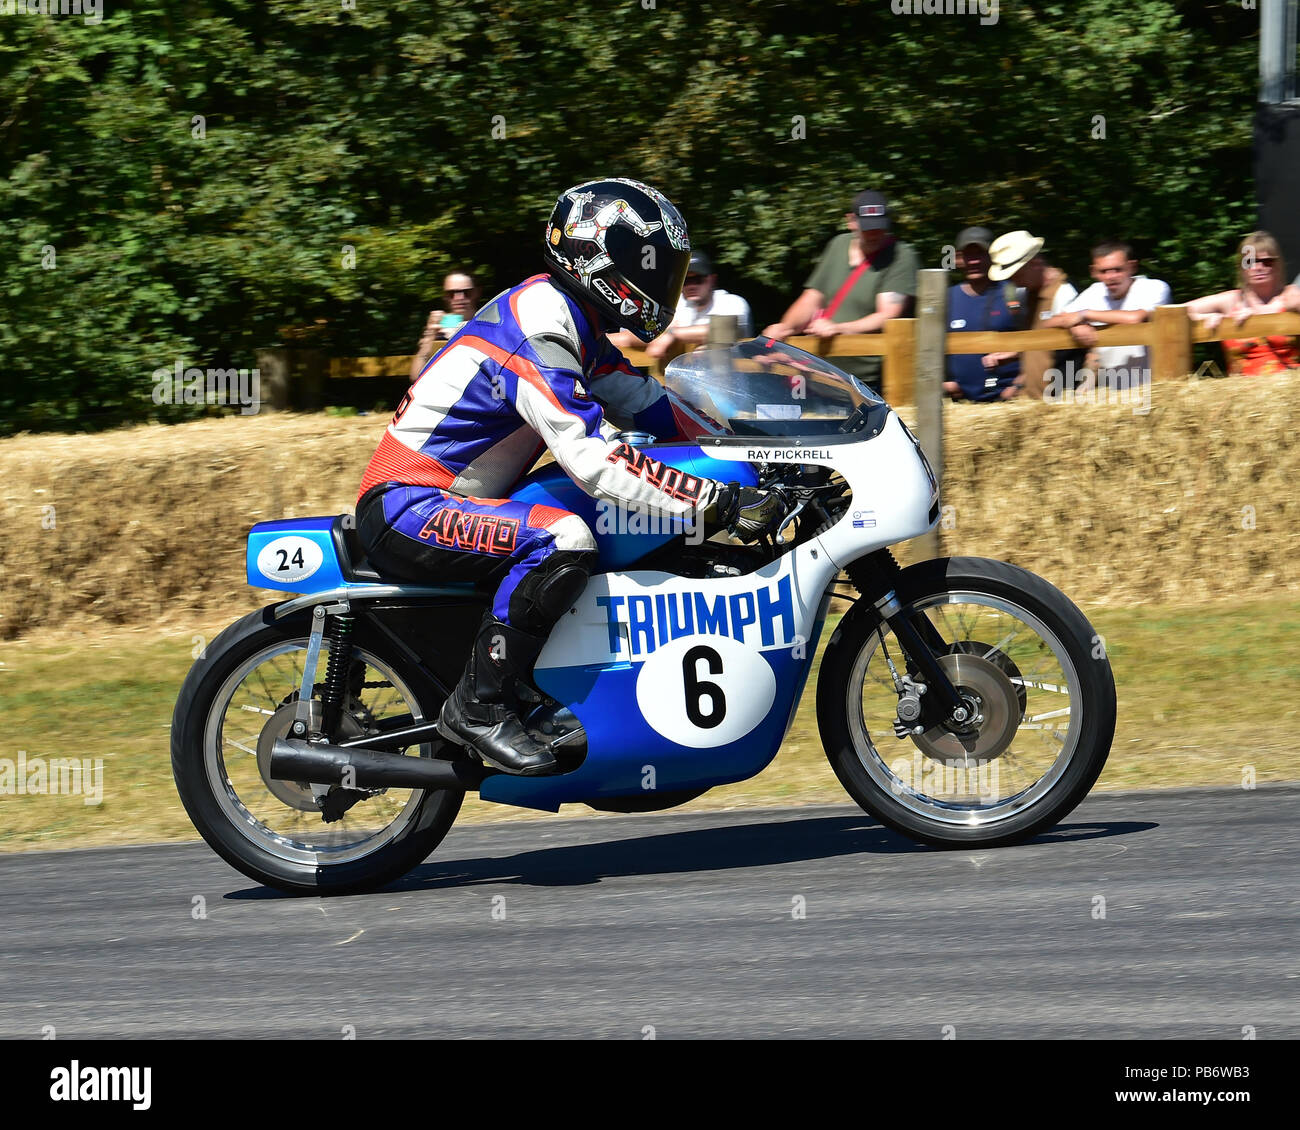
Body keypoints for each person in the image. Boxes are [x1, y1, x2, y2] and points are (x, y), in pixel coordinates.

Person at [355, 179, 785, 777]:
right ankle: (479, 708)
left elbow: (649, 404)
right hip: (410, 505)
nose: (664, 284)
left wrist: (761, 449)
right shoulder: (538, 327)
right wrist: (716, 503)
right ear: (599, 259)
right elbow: (594, 460)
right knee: (564, 538)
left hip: (447, 502)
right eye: (651, 266)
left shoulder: (571, 318)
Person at [762, 190, 919, 392]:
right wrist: (785, 329)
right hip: (819, 370)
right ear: (851, 221)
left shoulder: (901, 255)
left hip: (866, 381)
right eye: (867, 228)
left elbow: (887, 314)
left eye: (879, 227)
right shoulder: (837, 245)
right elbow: (812, 297)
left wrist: (839, 328)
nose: (873, 234)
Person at [1045, 240, 1171, 392]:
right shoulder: (1094, 291)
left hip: (1153, 387)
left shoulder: (1154, 287)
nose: (1110, 276)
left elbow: (1134, 318)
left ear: (1132, 267)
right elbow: (1051, 322)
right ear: (1093, 271)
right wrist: (1076, 325)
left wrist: (1085, 314)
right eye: (1103, 271)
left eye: (1117, 269)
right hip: (1112, 391)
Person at [1184, 232, 1299, 376]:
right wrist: (1204, 317)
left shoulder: (1290, 296)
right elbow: (1174, 313)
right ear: (1241, 267)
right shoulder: (1231, 300)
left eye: (1267, 261)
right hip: (1242, 392)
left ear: (1277, 265)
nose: (1258, 267)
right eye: (1250, 262)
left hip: (1289, 389)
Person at [610, 249, 754, 361]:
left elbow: (724, 328)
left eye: (698, 279)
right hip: (684, 389)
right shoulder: (677, 306)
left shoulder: (731, 302)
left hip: (734, 388)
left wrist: (672, 335)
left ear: (712, 280)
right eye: (686, 281)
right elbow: (634, 335)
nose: (691, 286)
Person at [986, 230, 1081, 397]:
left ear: (1035, 262)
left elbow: (1068, 351)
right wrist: (1014, 355)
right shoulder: (1026, 295)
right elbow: (1041, 344)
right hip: (1035, 402)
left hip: (1059, 401)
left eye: (1017, 274)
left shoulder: (1065, 293)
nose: (1013, 281)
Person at [943, 227, 1022, 401]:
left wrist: (1017, 386)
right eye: (967, 255)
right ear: (957, 259)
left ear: (993, 256)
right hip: (960, 405)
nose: (973, 261)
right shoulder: (946, 298)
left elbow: (1038, 346)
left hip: (1009, 402)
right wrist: (944, 382)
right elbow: (930, 349)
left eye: (980, 254)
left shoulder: (1013, 293)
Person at [410, 271, 482, 381]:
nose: (459, 298)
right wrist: (429, 337)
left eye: (466, 292)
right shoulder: (441, 325)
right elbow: (415, 377)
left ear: (476, 293)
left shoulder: (486, 321)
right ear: (445, 297)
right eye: (451, 293)